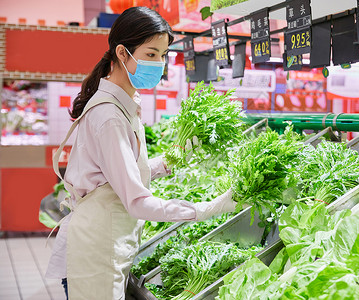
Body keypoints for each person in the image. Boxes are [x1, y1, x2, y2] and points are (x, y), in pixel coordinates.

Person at [45, 7, 236, 300]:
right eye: (151, 54)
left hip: (107, 244)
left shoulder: (124, 104)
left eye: (163, 55)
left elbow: (116, 172)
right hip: (97, 252)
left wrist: (169, 160)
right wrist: (204, 210)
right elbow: (137, 201)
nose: (159, 63)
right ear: (122, 53)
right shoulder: (110, 115)